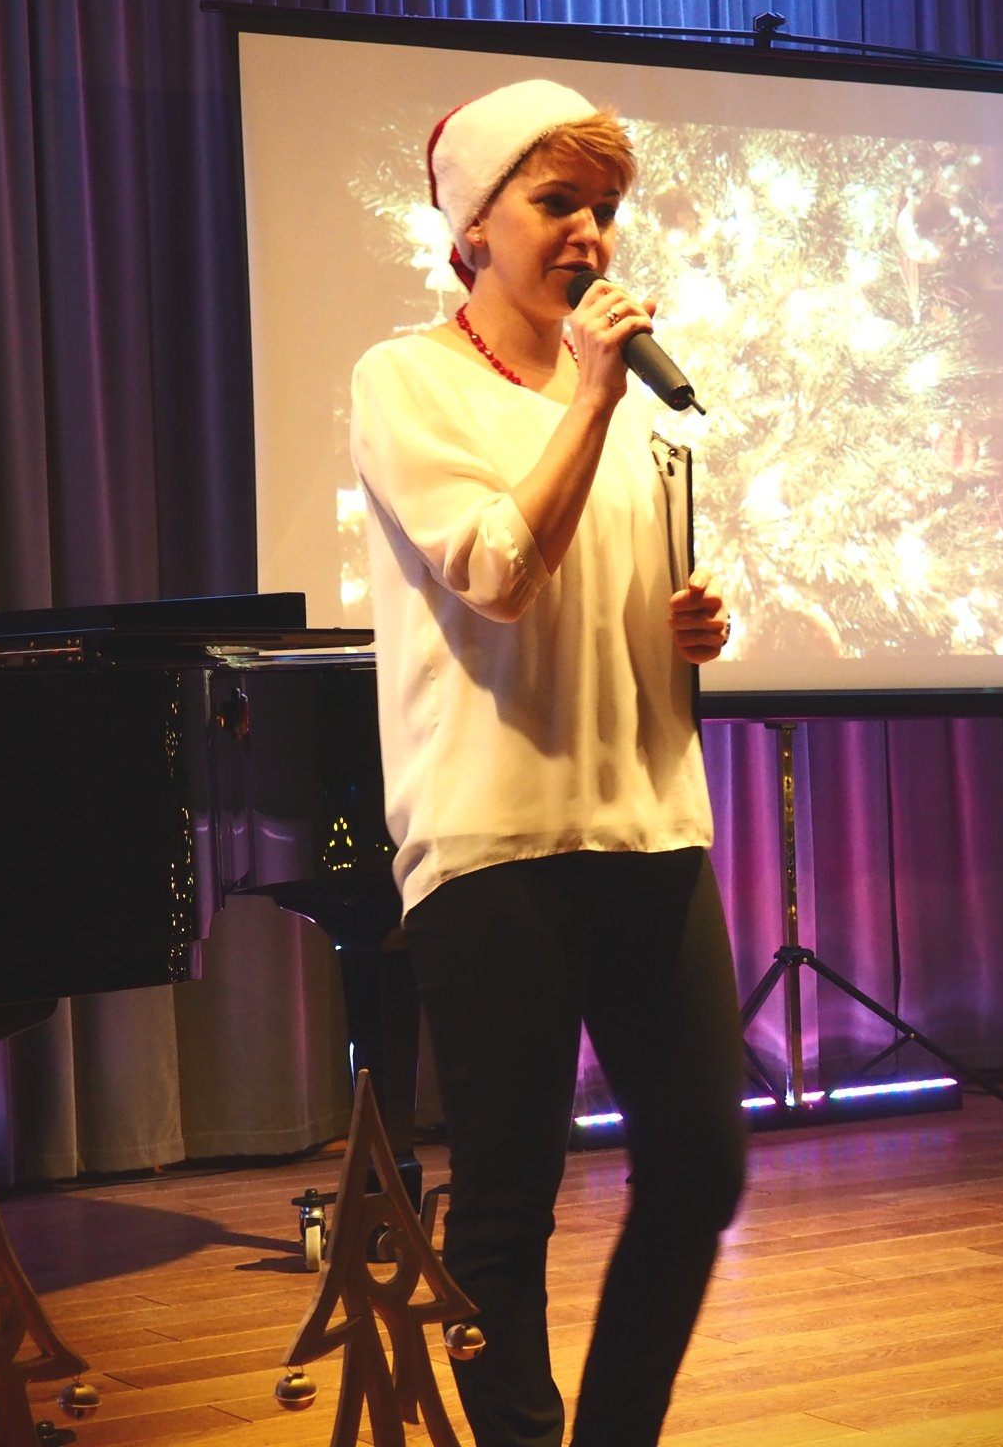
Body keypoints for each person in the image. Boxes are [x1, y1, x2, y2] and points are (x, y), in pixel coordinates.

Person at [349, 78, 748, 1447]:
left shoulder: (629, 405)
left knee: (699, 1169)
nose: (591, 233)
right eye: (558, 202)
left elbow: (620, 591)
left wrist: (693, 620)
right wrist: (588, 394)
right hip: (494, 841)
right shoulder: (408, 379)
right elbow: (500, 577)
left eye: (606, 209)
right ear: (473, 229)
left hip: (650, 821)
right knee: (510, 1198)